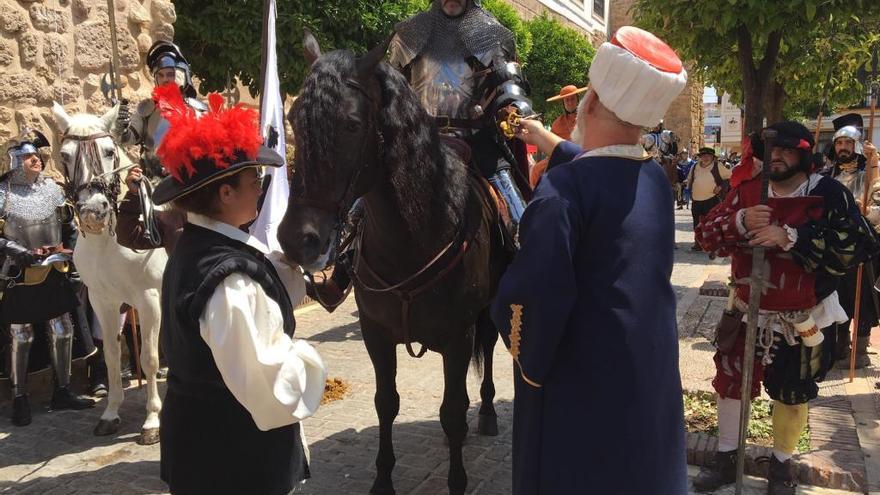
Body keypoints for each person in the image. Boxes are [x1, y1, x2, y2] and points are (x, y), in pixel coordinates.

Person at [491, 26, 689, 493]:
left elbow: (531, 304)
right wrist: (547, 140)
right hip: (648, 382)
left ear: (591, 103)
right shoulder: (655, 180)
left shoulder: (562, 193)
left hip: (581, 395)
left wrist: (526, 356)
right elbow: (605, 170)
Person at [150, 85, 326, 494]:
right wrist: (308, 358)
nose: (260, 190)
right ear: (225, 193)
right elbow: (267, 385)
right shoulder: (230, 280)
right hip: (233, 459)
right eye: (254, 181)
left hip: (201, 448)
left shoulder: (196, 247)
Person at [693, 121, 879, 493]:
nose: (776, 156)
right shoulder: (745, 191)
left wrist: (793, 237)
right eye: (771, 150)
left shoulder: (827, 193)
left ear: (804, 153)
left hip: (801, 317)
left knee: (791, 391)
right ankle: (727, 458)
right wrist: (739, 221)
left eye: (786, 150)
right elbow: (705, 235)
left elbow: (860, 244)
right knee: (731, 385)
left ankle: (782, 466)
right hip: (746, 310)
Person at [390, 0, 534, 225]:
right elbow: (392, 87)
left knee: (521, 221)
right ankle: (346, 244)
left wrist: (514, 108)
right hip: (419, 138)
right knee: (363, 204)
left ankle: (523, 247)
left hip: (475, 140)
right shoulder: (410, 33)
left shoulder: (487, 32)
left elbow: (507, 81)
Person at [1, 130, 96, 426]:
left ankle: (63, 391)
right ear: (15, 161)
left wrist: (74, 254)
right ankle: (19, 398)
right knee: (21, 335)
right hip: (20, 272)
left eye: (38, 156)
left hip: (56, 268)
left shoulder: (52, 190)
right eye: (30, 156)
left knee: (63, 329)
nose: (37, 160)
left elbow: (68, 225)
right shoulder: (3, 193)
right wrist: (17, 249)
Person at [826, 113, 880, 369]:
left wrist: (867, 211)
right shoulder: (828, 176)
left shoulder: (873, 171)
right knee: (837, 295)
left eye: (848, 143)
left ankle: (860, 348)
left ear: (856, 145)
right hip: (836, 246)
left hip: (864, 245)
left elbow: (879, 205)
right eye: (839, 143)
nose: (843, 148)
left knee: (864, 299)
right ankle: (839, 344)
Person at [114, 41, 207, 180]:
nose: (165, 79)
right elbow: (127, 139)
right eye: (160, 75)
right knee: (127, 201)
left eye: (170, 74)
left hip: (191, 182)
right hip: (153, 182)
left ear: (181, 76)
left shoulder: (197, 110)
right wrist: (121, 127)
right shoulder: (147, 109)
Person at [529, 84, 586, 188]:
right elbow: (548, 143)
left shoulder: (586, 117)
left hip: (584, 154)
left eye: (572, 99)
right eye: (566, 100)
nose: (569, 102)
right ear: (563, 103)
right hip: (561, 156)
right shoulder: (557, 123)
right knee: (536, 170)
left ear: (577, 100)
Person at [687, 147, 731, 251]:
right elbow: (690, 180)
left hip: (712, 199)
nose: (705, 157)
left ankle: (712, 244)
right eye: (703, 155)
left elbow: (729, 178)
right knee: (696, 223)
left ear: (712, 157)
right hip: (696, 200)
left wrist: (720, 187)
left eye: (708, 155)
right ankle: (698, 244)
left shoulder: (717, 166)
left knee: (711, 223)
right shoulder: (694, 166)